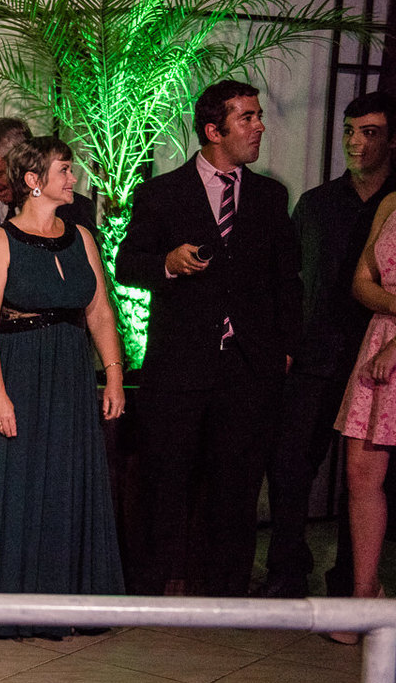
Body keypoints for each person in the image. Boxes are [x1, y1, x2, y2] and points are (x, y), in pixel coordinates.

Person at [116, 80, 301, 597]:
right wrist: (167, 263)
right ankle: (148, 590)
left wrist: (285, 349)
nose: (260, 126)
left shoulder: (270, 195)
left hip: (249, 368)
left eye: (258, 116)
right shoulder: (161, 193)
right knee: (163, 483)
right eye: (247, 118)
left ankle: (226, 595)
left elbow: (288, 280)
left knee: (236, 490)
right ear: (214, 131)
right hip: (179, 367)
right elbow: (128, 265)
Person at [0, 136, 125, 638]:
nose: (73, 178)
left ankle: (69, 601)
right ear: (34, 180)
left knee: (67, 481)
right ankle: (9, 604)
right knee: (19, 483)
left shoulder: (82, 237)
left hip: (70, 373)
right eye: (64, 170)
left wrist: (113, 374)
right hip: (19, 372)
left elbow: (100, 311)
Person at [0, 117, 97, 590]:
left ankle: (50, 575)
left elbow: (89, 286)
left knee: (51, 469)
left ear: (23, 164)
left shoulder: (76, 210)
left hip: (54, 358)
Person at [258, 93, 396, 599]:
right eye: (349, 131)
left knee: (365, 478)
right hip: (316, 355)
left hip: (378, 357)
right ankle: (287, 573)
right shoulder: (316, 204)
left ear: (392, 140)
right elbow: (289, 281)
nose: (356, 142)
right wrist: (286, 344)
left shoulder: (395, 202)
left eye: (370, 132)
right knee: (290, 465)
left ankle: (352, 583)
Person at [328, 193, 396, 643]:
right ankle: (364, 595)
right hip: (381, 335)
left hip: (392, 345)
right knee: (361, 472)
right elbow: (362, 283)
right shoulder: (391, 203)